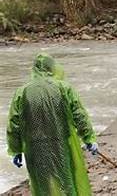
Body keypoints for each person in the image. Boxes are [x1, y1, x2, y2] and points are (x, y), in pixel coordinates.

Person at [6, 53, 98, 196]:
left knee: (43, 187)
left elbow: (14, 123)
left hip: (35, 147)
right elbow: (78, 115)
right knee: (66, 184)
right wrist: (89, 139)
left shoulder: (22, 92)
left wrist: (15, 149)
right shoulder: (63, 88)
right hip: (60, 144)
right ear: (52, 67)